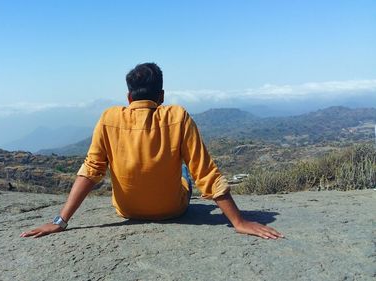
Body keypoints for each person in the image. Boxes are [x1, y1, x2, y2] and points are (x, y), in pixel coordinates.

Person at [21, 63, 283, 240]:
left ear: (128, 97)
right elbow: (206, 173)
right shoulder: (177, 116)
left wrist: (60, 220)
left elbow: (90, 172)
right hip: (171, 209)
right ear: (161, 95)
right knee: (183, 168)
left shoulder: (108, 117)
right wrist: (238, 221)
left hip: (126, 210)